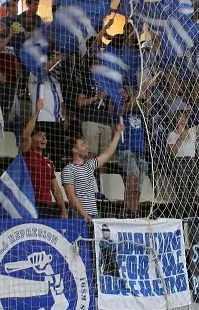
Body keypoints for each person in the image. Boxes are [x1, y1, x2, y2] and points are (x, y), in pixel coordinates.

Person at [61, 121, 123, 222]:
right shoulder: (68, 169)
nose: (87, 147)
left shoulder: (89, 165)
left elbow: (108, 153)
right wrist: (85, 215)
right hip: (79, 216)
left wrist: (117, 134)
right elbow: (71, 196)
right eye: (83, 144)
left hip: (94, 215)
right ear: (74, 150)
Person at [19, 99, 70, 218]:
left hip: (47, 208)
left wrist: (63, 210)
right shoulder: (26, 155)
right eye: (39, 135)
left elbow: (56, 189)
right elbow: (26, 134)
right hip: (30, 205)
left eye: (45, 136)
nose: (44, 138)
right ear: (31, 141)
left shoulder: (48, 162)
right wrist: (37, 111)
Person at [117, 89, 150, 217]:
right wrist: (142, 90)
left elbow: (149, 108)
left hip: (139, 150)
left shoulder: (139, 109)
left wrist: (147, 93)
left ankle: (134, 212)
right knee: (133, 175)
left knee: (139, 185)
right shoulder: (118, 105)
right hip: (126, 150)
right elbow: (124, 108)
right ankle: (127, 210)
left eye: (126, 91)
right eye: (122, 92)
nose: (123, 93)